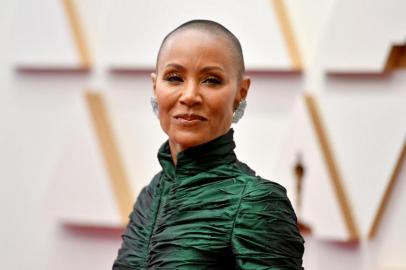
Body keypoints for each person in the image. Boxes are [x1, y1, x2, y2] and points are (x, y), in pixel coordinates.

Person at [113, 19, 304, 269]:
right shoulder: (149, 196)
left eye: (211, 80)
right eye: (174, 78)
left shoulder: (258, 203)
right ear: (155, 86)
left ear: (241, 91)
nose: (190, 95)